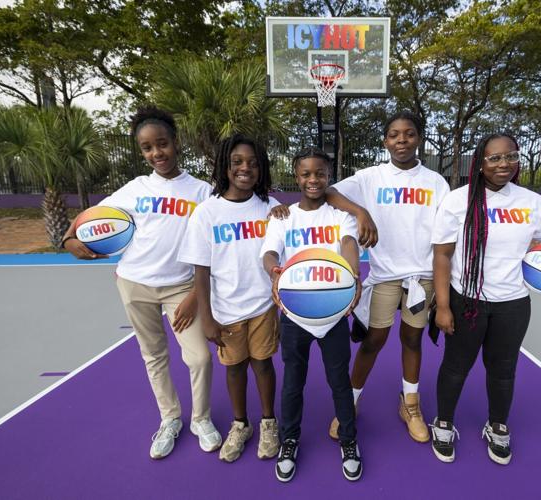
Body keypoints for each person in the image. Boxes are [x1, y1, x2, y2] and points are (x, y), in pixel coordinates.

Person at [429, 133, 541, 465]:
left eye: (510, 156)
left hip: (514, 303)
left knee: (503, 369)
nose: (503, 163)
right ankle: (444, 422)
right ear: (479, 164)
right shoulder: (457, 201)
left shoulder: (532, 202)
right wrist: (444, 305)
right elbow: (442, 256)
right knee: (456, 366)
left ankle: (497, 425)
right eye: (494, 158)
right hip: (468, 300)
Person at [62, 105, 221, 459]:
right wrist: (69, 239)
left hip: (182, 286)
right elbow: (88, 219)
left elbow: (214, 246)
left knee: (199, 358)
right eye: (147, 148)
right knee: (154, 355)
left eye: (161, 144)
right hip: (135, 282)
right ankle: (170, 419)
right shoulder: (134, 188)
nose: (156, 153)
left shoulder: (201, 191)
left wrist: (197, 293)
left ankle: (201, 418)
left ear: (175, 143)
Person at [322, 110, 451, 443]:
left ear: (418, 138)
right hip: (384, 276)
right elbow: (328, 192)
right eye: (394, 134)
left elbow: (445, 234)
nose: (401, 140)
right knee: (373, 341)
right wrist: (360, 211)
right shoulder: (370, 177)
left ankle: (410, 404)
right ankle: (348, 403)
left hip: (420, 277)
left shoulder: (435, 182)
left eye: (408, 134)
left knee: (412, 339)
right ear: (385, 140)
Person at [261, 148, 362, 482]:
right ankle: (289, 440)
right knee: (293, 381)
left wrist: (352, 275)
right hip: (295, 313)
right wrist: (275, 272)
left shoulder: (339, 215)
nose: (313, 179)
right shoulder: (283, 216)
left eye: (319, 173)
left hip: (332, 313)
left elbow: (348, 244)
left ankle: (349, 440)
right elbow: (270, 252)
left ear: (328, 176)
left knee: (339, 381)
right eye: (306, 174)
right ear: (296, 175)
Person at [177, 134, 281, 463]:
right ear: (225, 165)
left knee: (263, 365)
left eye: (252, 162)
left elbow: (287, 254)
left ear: (261, 168)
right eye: (237, 161)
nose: (245, 168)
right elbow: (201, 271)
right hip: (226, 311)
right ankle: (240, 424)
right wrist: (206, 317)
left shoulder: (272, 209)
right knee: (234, 369)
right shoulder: (207, 213)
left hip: (263, 306)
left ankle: (268, 422)